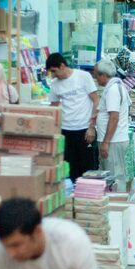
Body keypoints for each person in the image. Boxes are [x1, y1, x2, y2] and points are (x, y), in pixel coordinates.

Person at [46, 53, 99, 181]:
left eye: (54, 71)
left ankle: (87, 198)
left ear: (62, 66)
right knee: (70, 169)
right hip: (66, 131)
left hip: (84, 130)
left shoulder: (83, 77)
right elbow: (53, 107)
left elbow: (96, 101)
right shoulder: (55, 84)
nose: (53, 75)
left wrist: (92, 127)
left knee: (88, 169)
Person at [93, 59, 130, 191]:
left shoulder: (113, 90)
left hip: (113, 141)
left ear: (104, 75)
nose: (96, 78)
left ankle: (117, 204)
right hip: (113, 140)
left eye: (97, 75)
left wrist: (106, 142)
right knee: (111, 175)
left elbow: (114, 117)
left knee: (114, 176)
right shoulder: (115, 87)